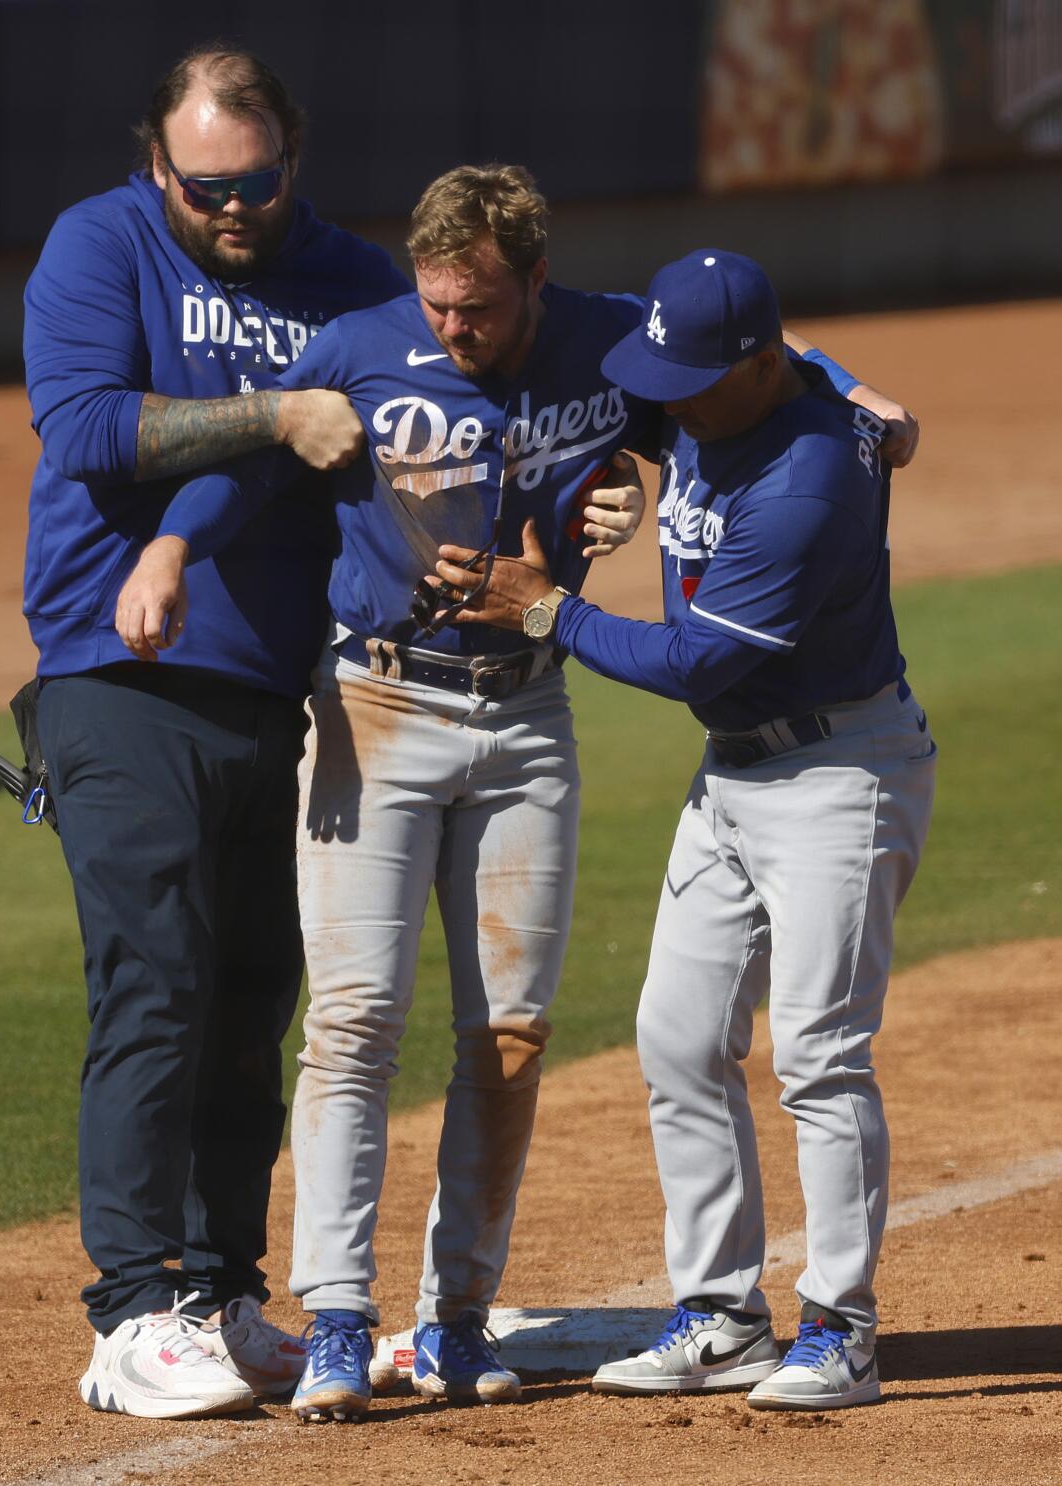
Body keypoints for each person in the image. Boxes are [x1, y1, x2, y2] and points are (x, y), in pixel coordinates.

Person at [116, 174, 911, 1423]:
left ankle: (457, 1319)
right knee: (355, 1020)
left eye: (478, 305)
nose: (452, 327)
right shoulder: (363, 346)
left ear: (536, 282)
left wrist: (852, 394)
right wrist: (168, 548)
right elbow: (262, 464)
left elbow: (752, 353)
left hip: (529, 714)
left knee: (510, 1038)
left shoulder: (611, 338)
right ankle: (335, 1318)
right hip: (376, 705)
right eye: (436, 301)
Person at [432, 248, 936, 1413]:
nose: (668, 395)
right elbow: (813, 369)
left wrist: (546, 606)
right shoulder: (734, 375)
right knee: (677, 1036)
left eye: (693, 377)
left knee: (818, 1053)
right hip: (739, 774)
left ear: (757, 365)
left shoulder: (808, 482)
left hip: (839, 769)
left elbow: (694, 661)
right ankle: (720, 1315)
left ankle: (842, 1328)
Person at [21, 44, 409, 1420]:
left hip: (288, 689)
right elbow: (80, 429)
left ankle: (219, 1293)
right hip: (118, 674)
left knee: (256, 997)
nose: (234, 212)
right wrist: (271, 409)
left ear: (291, 161)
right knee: (157, 980)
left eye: (256, 185)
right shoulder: (101, 244)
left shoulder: (355, 278)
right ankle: (129, 1312)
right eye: (206, 188)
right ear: (157, 166)